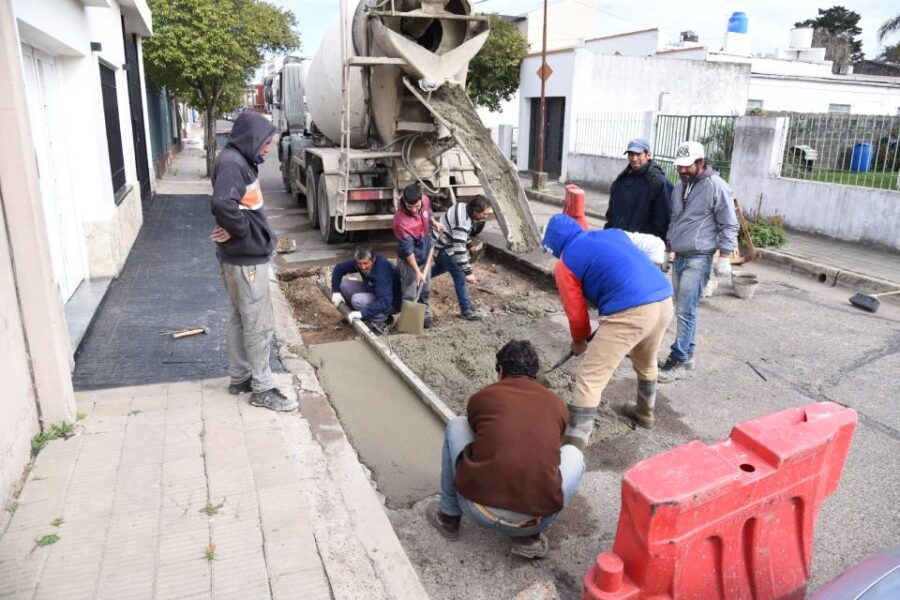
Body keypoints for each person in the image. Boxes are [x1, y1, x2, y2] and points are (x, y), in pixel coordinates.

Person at [426, 340, 585, 559]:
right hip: (536, 520)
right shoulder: (557, 405)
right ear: (535, 373)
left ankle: (448, 517)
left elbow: (480, 437)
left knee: (457, 424)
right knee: (574, 454)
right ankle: (529, 539)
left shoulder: (482, 398)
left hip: (478, 511)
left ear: (500, 371)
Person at [542, 214, 674, 443]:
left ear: (553, 244)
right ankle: (644, 413)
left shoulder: (565, 263)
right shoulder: (611, 234)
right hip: (663, 299)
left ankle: (573, 445)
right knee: (646, 361)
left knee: (589, 377)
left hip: (632, 309)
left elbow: (576, 313)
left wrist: (579, 340)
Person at [210, 111, 296, 412]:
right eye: (265, 142)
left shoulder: (236, 160)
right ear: (251, 138)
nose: (267, 148)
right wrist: (242, 231)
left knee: (239, 317)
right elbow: (223, 203)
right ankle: (262, 387)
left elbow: (231, 205)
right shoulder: (234, 164)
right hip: (247, 261)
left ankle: (240, 377)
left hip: (236, 257)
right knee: (259, 324)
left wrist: (236, 228)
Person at [658, 141, 738, 384]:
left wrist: (724, 256)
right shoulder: (681, 186)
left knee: (684, 309)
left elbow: (729, 223)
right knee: (684, 309)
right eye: (679, 166)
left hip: (699, 257)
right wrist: (668, 247)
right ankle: (687, 356)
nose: (681, 170)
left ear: (701, 162)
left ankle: (679, 358)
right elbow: (675, 219)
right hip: (680, 256)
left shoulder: (716, 187)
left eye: (687, 166)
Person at [431, 196, 490, 321]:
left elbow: (460, 235)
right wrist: (468, 272)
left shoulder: (462, 206)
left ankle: (418, 277)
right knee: (459, 274)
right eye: (484, 214)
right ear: (475, 211)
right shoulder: (462, 222)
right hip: (442, 247)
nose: (485, 216)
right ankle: (466, 310)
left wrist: (469, 245)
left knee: (441, 267)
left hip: (439, 243)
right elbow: (459, 249)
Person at [393, 183, 441, 329]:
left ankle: (426, 319)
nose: (414, 210)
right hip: (409, 263)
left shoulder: (425, 200)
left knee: (425, 291)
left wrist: (434, 222)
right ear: (404, 202)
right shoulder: (401, 222)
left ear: (421, 199)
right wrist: (417, 271)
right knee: (410, 293)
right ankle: (410, 325)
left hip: (425, 256)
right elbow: (408, 251)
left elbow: (429, 211)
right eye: (409, 207)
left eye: (417, 206)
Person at [605, 138, 672, 240]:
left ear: (648, 154)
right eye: (631, 154)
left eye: (638, 154)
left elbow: (664, 220)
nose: (634, 158)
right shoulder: (620, 181)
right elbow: (611, 216)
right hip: (618, 242)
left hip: (643, 246)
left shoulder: (658, 182)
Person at [330, 244, 402, 331]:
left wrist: (362, 313)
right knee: (344, 286)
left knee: (357, 300)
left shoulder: (382, 270)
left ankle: (384, 321)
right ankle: (359, 316)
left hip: (392, 302)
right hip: (374, 291)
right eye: (360, 264)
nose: (363, 267)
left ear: (373, 259)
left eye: (365, 263)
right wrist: (335, 291)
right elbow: (339, 268)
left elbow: (385, 301)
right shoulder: (360, 261)